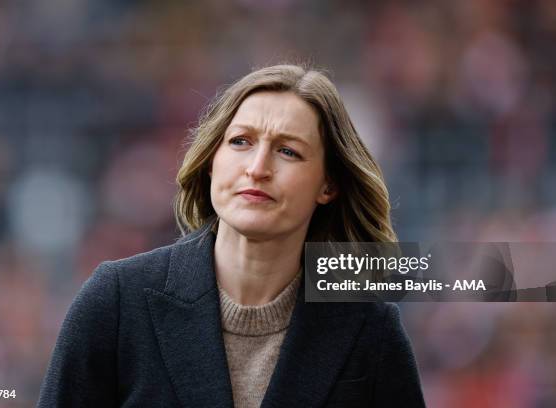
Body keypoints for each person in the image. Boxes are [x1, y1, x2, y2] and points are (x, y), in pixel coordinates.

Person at [38, 64, 425, 407]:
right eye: (240, 141)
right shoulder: (117, 302)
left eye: (288, 151)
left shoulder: (369, 330)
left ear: (328, 185)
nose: (257, 168)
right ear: (211, 162)